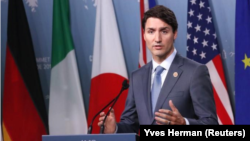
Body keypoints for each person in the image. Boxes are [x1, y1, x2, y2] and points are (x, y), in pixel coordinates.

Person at [98, 5, 219, 133]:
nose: (157, 39)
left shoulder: (195, 72)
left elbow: (211, 124)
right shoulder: (137, 76)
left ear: (175, 33)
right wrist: (115, 129)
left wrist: (185, 123)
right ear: (144, 35)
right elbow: (131, 124)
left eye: (164, 31)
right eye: (151, 31)